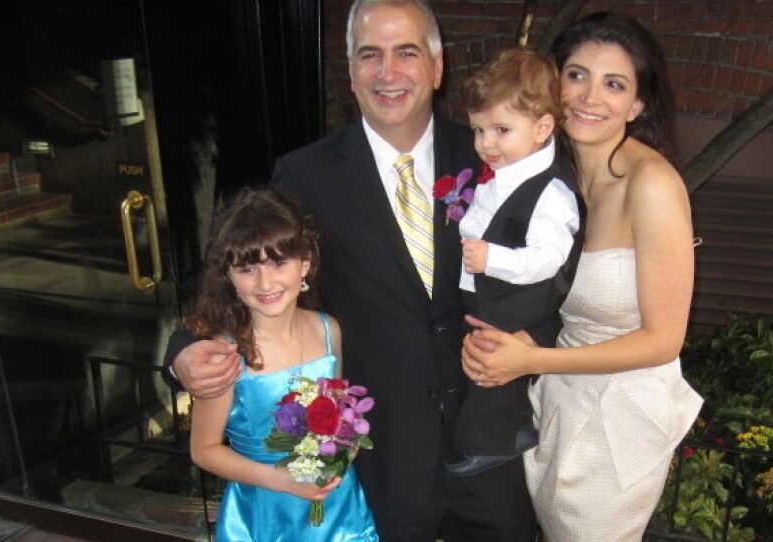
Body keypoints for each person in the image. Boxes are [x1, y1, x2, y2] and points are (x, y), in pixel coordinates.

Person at [163, 1, 543, 540]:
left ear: (437, 67)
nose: (388, 72)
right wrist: (182, 351)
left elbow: (554, 269)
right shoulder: (306, 174)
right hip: (379, 463)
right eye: (370, 55)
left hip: (489, 448)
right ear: (350, 70)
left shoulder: (492, 156)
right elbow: (245, 265)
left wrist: (534, 346)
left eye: (406, 52)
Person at [462, 11, 704, 541]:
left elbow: (664, 341)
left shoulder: (652, 185)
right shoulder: (545, 178)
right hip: (557, 402)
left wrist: (533, 359)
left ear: (637, 105)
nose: (590, 97)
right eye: (577, 76)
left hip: (620, 420)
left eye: (614, 84)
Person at [185, 188, 378, 541]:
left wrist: (339, 452)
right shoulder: (225, 355)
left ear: (305, 262)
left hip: (336, 506)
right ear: (228, 276)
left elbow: (337, 418)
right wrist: (281, 480)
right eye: (247, 269)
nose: (266, 283)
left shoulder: (328, 330)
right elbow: (204, 450)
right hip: (265, 510)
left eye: (279, 263)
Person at [443, 47, 581, 477]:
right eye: (478, 130)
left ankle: (496, 441)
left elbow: (549, 258)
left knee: (492, 367)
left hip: (517, 298)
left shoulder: (551, 192)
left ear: (542, 127)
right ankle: (501, 431)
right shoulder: (501, 173)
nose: (486, 143)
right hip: (486, 293)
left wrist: (492, 258)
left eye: (501, 130)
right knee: (477, 364)